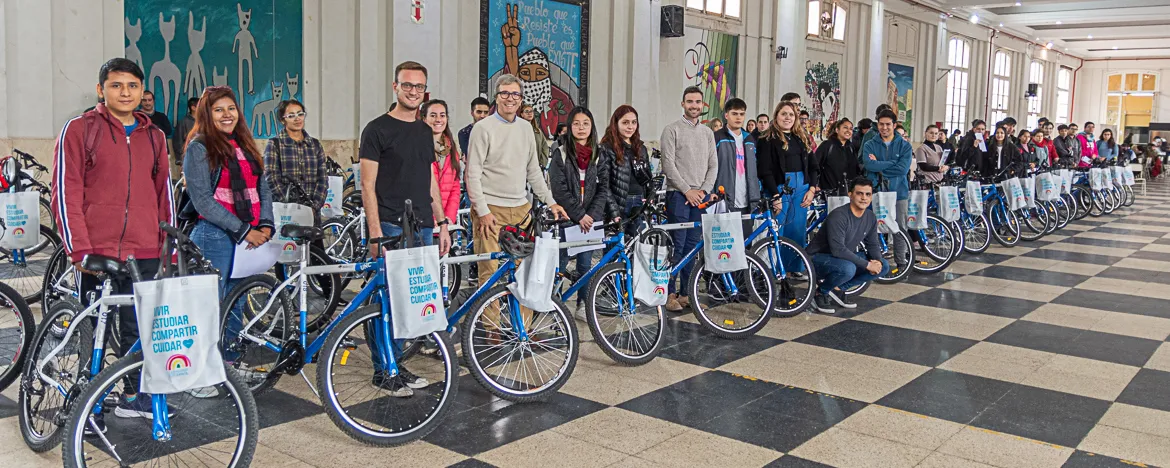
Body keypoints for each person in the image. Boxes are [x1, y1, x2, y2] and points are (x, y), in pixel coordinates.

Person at [52, 58, 173, 427]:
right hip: (96, 252)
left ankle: (135, 396)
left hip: (145, 252)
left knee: (140, 328)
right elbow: (66, 190)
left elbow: (163, 193)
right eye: (116, 85)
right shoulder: (79, 129)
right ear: (101, 88)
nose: (125, 92)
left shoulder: (155, 136)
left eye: (132, 86)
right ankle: (89, 405)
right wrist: (78, 248)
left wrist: (165, 242)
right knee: (95, 330)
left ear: (141, 90)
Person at [356, 62, 453, 396]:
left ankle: (396, 363)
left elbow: (429, 179)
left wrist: (441, 222)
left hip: (422, 225)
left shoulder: (425, 131)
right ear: (395, 86)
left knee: (410, 298)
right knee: (385, 300)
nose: (414, 91)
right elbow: (367, 186)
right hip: (388, 224)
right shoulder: (376, 130)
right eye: (407, 85)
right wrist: (374, 234)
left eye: (419, 86)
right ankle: (383, 370)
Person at [466, 73, 568, 320]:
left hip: (521, 208)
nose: (510, 99)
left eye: (515, 94)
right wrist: (482, 211)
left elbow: (533, 170)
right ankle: (490, 327)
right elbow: (472, 174)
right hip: (490, 208)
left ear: (521, 99)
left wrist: (551, 201)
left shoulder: (526, 129)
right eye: (504, 94)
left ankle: (523, 325)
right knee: (489, 270)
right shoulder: (482, 128)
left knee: (524, 270)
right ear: (496, 97)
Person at [659, 86, 718, 311]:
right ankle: (669, 293)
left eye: (697, 102)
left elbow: (714, 165)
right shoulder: (671, 130)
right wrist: (687, 191)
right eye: (690, 101)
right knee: (677, 245)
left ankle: (687, 293)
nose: (694, 105)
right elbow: (668, 165)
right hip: (678, 195)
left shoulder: (707, 133)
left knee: (693, 247)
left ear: (703, 106)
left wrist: (703, 190)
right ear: (682, 103)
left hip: (700, 197)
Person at [548, 107, 609, 317]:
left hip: (589, 220)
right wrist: (579, 215)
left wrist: (590, 215)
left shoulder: (599, 154)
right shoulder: (561, 153)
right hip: (567, 218)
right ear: (569, 126)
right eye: (576, 123)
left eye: (585, 123)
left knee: (585, 265)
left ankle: (582, 304)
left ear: (592, 127)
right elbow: (559, 188)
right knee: (561, 264)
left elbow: (603, 188)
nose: (581, 128)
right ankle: (555, 305)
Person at [805, 177, 888, 314]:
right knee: (848, 268)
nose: (864, 198)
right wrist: (867, 265)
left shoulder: (870, 217)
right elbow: (838, 250)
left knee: (884, 265)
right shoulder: (839, 215)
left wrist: (877, 261)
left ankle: (838, 289)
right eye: (859, 193)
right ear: (850, 195)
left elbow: (872, 244)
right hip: (817, 258)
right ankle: (821, 292)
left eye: (867, 194)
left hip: (841, 259)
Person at [758, 101, 817, 281]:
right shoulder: (767, 140)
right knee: (778, 230)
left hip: (802, 188)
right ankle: (774, 269)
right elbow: (764, 170)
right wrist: (775, 195)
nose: (788, 118)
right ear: (776, 116)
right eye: (784, 114)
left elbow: (814, 167)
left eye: (791, 115)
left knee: (797, 229)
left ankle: (794, 268)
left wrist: (812, 189)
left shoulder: (802, 138)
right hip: (779, 188)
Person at [861, 109, 913, 270]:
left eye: (888, 124)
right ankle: (876, 262)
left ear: (894, 125)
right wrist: (892, 163)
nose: (884, 128)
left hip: (899, 192)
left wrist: (880, 166)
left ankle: (901, 261)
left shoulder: (904, 145)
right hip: (876, 192)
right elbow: (869, 165)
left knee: (899, 227)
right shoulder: (870, 144)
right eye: (881, 124)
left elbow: (903, 169)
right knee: (873, 228)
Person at [264, 99, 328, 216]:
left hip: (312, 212)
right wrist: (291, 206)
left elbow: (323, 179)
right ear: (283, 120)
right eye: (291, 115)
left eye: (300, 114)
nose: (297, 118)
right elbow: (271, 178)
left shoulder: (315, 145)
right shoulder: (275, 144)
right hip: (285, 212)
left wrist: (314, 207)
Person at [600, 105, 653, 235]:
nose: (630, 127)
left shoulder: (641, 148)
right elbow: (603, 184)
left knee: (638, 248)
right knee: (615, 250)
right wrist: (613, 211)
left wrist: (650, 196)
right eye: (625, 122)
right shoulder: (606, 148)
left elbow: (647, 177)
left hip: (639, 202)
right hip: (618, 203)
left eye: (634, 122)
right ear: (616, 123)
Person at [713, 98, 761, 233]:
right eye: (734, 113)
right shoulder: (717, 137)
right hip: (724, 199)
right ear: (726, 115)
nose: (738, 117)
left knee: (746, 244)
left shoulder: (749, 139)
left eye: (741, 114)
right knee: (726, 246)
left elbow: (755, 168)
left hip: (747, 200)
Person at [421, 100, 461, 226]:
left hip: (444, 224)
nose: (438, 119)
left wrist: (448, 217)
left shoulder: (452, 149)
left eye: (442, 115)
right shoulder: (416, 147)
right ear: (424, 119)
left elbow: (455, 187)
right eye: (433, 115)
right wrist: (431, 218)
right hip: (423, 223)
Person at [813, 118, 860, 195]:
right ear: (837, 130)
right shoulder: (827, 145)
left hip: (849, 192)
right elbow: (814, 165)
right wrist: (814, 184)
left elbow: (855, 169)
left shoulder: (851, 147)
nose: (848, 131)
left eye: (851, 129)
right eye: (845, 127)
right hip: (829, 192)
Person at [521, 102, 550, 169]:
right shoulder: (518, 129)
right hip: (522, 167)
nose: (529, 113)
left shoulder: (538, 131)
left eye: (531, 111)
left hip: (536, 166)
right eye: (527, 111)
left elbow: (545, 147)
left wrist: (542, 163)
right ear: (522, 114)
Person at [172, 97, 199, 171]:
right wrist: (181, 161)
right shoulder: (184, 122)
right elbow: (178, 142)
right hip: (189, 159)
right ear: (193, 108)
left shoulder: (205, 122)